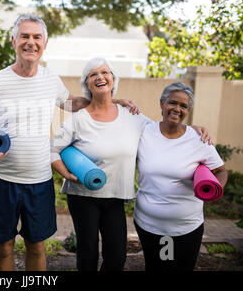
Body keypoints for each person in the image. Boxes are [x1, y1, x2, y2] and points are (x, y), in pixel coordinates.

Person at [0, 15, 137, 271]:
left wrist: (111, 100)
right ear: (14, 40)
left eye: (37, 37)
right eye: (25, 36)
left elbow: (73, 103)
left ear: (45, 43)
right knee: (4, 247)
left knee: (36, 246)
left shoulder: (50, 79)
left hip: (40, 181)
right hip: (1, 180)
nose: (30, 42)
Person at [50, 58, 211, 271]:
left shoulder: (132, 117)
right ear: (86, 83)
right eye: (93, 74)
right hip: (83, 196)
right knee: (87, 254)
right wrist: (66, 174)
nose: (100, 77)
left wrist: (191, 129)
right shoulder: (78, 119)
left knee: (117, 258)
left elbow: (161, 129)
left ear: (113, 79)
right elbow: (52, 149)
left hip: (115, 198)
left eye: (105, 72)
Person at [133, 82, 227, 271]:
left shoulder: (198, 139)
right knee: (156, 268)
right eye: (172, 103)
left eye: (183, 106)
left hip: (187, 227)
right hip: (149, 225)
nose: (177, 109)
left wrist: (216, 191)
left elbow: (221, 170)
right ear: (161, 104)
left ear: (188, 110)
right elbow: (115, 108)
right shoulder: (144, 131)